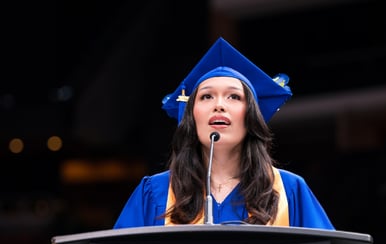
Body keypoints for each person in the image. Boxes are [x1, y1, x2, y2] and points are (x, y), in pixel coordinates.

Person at [113, 37, 334, 229]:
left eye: (234, 97)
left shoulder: (288, 191)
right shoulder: (154, 193)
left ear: (251, 117)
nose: (219, 105)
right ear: (192, 116)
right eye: (206, 97)